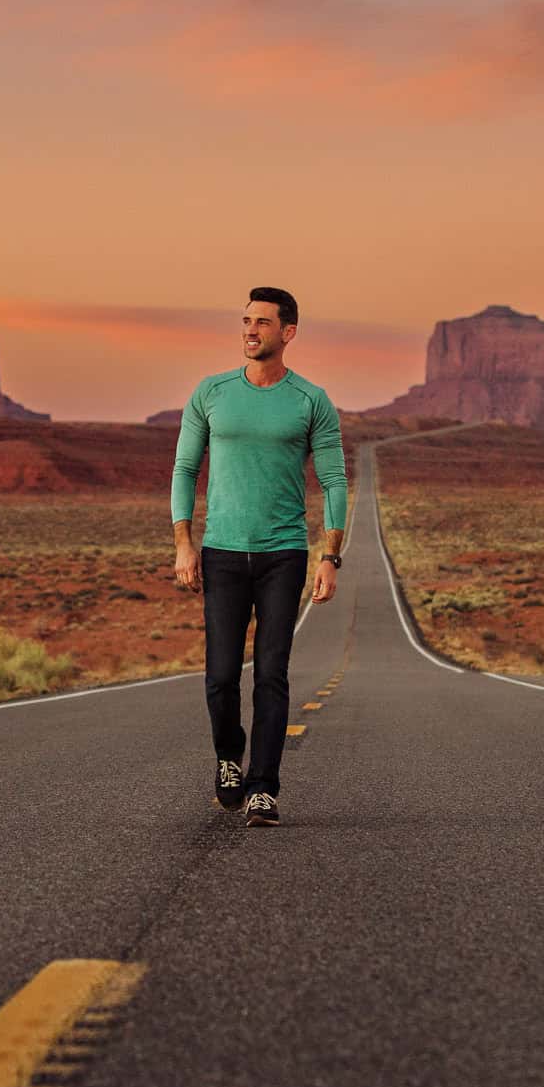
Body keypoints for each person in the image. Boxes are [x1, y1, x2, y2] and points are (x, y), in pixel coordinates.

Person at [170, 287, 348, 827]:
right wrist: (184, 542)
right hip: (222, 553)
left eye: (262, 323)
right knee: (222, 676)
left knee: (271, 672)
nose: (250, 330)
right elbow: (184, 469)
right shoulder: (211, 392)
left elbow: (335, 480)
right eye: (246, 320)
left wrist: (329, 555)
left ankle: (264, 787)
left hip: (284, 554)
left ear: (287, 332)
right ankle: (229, 757)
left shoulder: (310, 401)